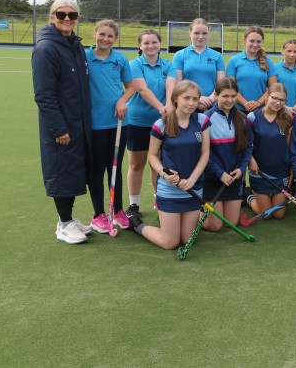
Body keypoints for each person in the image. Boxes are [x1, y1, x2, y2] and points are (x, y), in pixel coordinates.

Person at [32, 0, 94, 244]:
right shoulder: (46, 49)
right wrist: (58, 127)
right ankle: (63, 223)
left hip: (78, 121)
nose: (67, 18)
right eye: (61, 14)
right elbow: (44, 95)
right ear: (52, 16)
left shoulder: (73, 44)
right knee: (61, 169)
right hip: (61, 125)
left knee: (72, 169)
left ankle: (68, 219)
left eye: (72, 14)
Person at [128, 80, 211, 250]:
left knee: (187, 239)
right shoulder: (162, 124)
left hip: (193, 189)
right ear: (175, 99)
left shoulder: (202, 120)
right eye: (186, 98)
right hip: (169, 190)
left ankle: (175, 222)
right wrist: (164, 174)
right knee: (170, 243)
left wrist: (192, 180)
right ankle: (137, 225)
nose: (191, 103)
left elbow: (205, 154)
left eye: (195, 99)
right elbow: (152, 156)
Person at [85, 20, 134, 233]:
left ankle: (119, 210)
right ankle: (98, 214)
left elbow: (130, 87)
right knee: (97, 169)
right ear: (95, 33)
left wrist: (122, 100)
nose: (105, 39)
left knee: (114, 168)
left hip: (119, 123)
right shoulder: (84, 58)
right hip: (95, 124)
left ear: (116, 39)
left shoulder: (120, 59)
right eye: (102, 34)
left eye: (110, 36)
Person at [126, 29, 176, 219]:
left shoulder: (168, 65)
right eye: (146, 43)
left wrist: (169, 106)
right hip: (138, 121)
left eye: (154, 42)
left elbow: (171, 86)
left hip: (162, 122)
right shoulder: (134, 64)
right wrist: (161, 107)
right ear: (140, 46)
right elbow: (141, 88)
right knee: (136, 164)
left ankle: (159, 198)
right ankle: (134, 204)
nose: (150, 46)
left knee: (159, 163)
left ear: (160, 44)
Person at [202, 77, 252, 231]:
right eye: (225, 96)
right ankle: (191, 211)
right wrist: (220, 173)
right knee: (215, 226)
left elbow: (248, 147)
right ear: (216, 95)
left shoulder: (242, 118)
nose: (230, 100)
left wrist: (241, 169)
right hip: (212, 178)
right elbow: (203, 154)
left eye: (233, 96)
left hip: (233, 179)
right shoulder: (206, 119)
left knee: (231, 222)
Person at [245, 83, 294, 219]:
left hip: (281, 172)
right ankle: (248, 194)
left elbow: (290, 147)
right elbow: (246, 145)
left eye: (282, 100)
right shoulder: (252, 118)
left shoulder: (288, 119)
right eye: (275, 98)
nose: (278, 103)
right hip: (260, 172)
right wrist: (251, 161)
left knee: (279, 215)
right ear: (267, 97)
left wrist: (291, 171)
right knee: (266, 215)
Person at [172, 18, 226, 111]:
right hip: (187, 106)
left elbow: (221, 84)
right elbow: (178, 85)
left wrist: (210, 99)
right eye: (196, 33)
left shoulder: (217, 56)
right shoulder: (179, 55)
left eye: (204, 33)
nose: (201, 36)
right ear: (190, 33)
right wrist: (197, 99)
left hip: (211, 106)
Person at [226, 26, 274, 113]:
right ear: (244, 40)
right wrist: (245, 103)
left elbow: (273, 87)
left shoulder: (268, 61)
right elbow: (230, 87)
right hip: (238, 110)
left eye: (258, 41)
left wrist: (258, 103)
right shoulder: (234, 61)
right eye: (252, 41)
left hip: (262, 110)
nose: (255, 45)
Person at [269, 39, 296, 116]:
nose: (292, 54)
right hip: (277, 113)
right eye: (289, 51)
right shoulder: (274, 69)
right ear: (282, 51)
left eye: (295, 51)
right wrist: (285, 108)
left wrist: (293, 109)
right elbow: (272, 93)